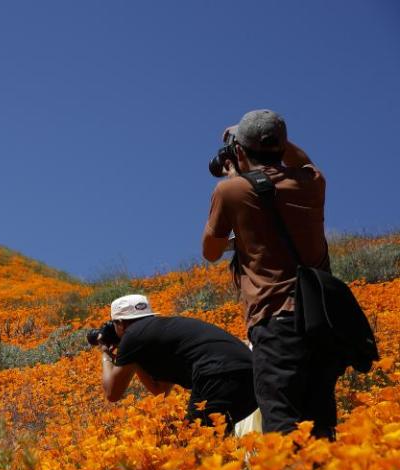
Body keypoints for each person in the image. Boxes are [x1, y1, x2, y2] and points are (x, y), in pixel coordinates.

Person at [201, 109, 343, 440]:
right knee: (320, 426)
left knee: (282, 425)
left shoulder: (232, 191)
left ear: (238, 151)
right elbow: (304, 160)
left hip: (276, 321)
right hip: (323, 323)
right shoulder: (312, 183)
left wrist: (234, 181)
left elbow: (210, 251)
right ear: (282, 144)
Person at [98, 294, 257, 435]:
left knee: (197, 444)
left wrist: (105, 352)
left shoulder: (132, 335)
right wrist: (135, 359)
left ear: (120, 323)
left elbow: (112, 393)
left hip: (217, 374)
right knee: (215, 441)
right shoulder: (163, 330)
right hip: (252, 375)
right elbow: (160, 390)